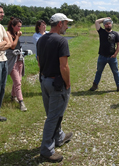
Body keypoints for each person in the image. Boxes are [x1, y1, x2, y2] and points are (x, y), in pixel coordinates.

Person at [36, 13, 75, 162]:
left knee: (52, 114)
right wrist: (68, 83)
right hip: (56, 84)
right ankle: (46, 150)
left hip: (44, 81)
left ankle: (59, 137)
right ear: (60, 24)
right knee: (53, 117)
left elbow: (39, 62)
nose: (67, 26)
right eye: (66, 24)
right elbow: (64, 67)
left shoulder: (41, 40)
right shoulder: (61, 41)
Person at [89, 17, 119, 92]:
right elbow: (96, 22)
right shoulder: (101, 32)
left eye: (109, 23)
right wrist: (105, 18)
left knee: (115, 72)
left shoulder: (115, 34)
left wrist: (115, 54)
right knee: (99, 71)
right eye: (106, 24)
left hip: (112, 57)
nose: (108, 25)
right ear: (104, 25)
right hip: (102, 57)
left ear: (111, 24)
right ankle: (95, 85)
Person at [7, 17, 27, 112]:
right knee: (17, 82)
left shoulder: (16, 33)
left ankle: (12, 96)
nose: (20, 28)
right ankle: (21, 102)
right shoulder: (8, 34)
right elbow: (12, 46)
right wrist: (18, 36)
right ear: (12, 26)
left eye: (20, 26)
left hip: (19, 59)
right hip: (12, 60)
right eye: (18, 26)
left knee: (19, 80)